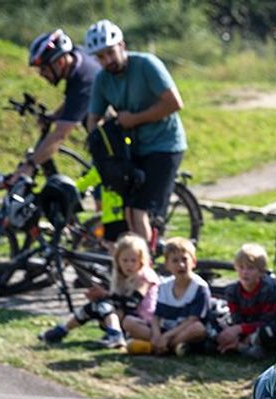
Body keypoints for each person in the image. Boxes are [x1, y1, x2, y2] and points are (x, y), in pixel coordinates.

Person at [85, 19, 187, 247]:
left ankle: (145, 274)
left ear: (122, 45)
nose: (107, 61)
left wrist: (134, 119)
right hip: (134, 148)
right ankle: (137, 260)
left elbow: (174, 103)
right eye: (100, 57)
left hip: (165, 145)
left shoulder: (147, 65)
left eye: (110, 52)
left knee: (139, 210)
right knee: (126, 210)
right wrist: (101, 147)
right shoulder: (102, 79)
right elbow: (93, 118)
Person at [39, 233, 158, 349]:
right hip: (125, 315)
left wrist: (106, 295)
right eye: (125, 260)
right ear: (118, 260)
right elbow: (118, 300)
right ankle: (62, 330)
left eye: (133, 260)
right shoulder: (121, 276)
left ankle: (116, 335)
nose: (129, 265)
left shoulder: (144, 277)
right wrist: (101, 295)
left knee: (105, 306)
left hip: (142, 321)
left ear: (141, 260)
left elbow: (131, 303)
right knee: (93, 307)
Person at [13, 29, 99, 183]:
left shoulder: (85, 80)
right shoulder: (76, 59)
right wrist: (54, 116)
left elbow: (60, 135)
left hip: (119, 140)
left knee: (102, 198)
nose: (41, 74)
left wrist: (30, 165)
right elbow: (74, 101)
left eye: (44, 68)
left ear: (60, 62)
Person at [214, 243, 276, 358]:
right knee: (217, 328)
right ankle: (239, 346)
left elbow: (268, 319)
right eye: (241, 267)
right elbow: (236, 318)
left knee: (267, 333)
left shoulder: (269, 289)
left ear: (261, 271)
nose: (245, 272)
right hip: (242, 328)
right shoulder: (232, 291)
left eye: (250, 268)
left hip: (264, 328)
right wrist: (235, 331)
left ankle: (243, 346)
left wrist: (240, 329)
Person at [144, 237, 209, 356]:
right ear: (167, 265)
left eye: (185, 259)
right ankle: (169, 346)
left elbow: (192, 320)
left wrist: (167, 336)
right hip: (166, 327)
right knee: (130, 322)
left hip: (183, 330)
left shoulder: (200, 287)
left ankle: (162, 346)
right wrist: (157, 333)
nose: (181, 264)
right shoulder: (163, 286)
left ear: (193, 262)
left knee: (198, 329)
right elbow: (156, 316)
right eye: (175, 260)